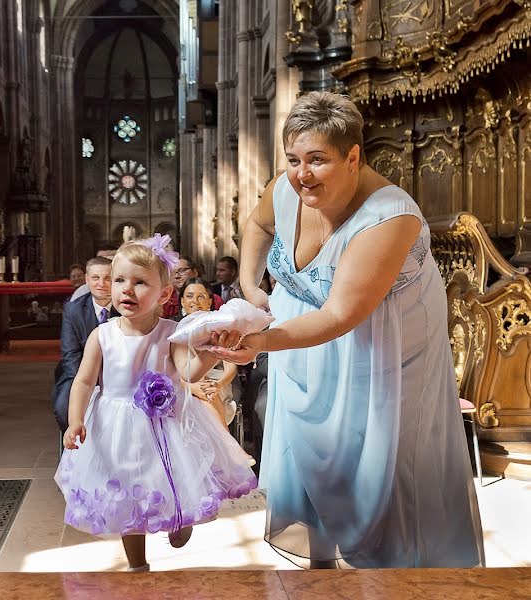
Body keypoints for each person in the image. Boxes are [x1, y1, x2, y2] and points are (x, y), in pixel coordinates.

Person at [225, 91, 484, 568]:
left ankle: (397, 579)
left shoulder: (389, 216)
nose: (302, 174)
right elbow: (258, 226)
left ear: (353, 156)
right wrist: (248, 282)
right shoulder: (287, 187)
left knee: (381, 481)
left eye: (318, 161)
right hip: (303, 346)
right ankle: (321, 573)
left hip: (379, 354)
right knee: (310, 464)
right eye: (294, 160)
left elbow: (340, 315)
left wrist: (258, 342)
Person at [55, 236, 257, 572]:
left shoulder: (171, 332)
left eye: (139, 282)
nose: (126, 290)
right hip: (114, 426)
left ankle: (180, 518)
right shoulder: (101, 335)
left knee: (170, 478)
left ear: (163, 294)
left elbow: (189, 373)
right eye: (119, 280)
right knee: (126, 497)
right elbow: (84, 381)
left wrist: (210, 354)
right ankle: (137, 566)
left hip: (165, 424)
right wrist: (76, 419)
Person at [52, 256, 114, 436]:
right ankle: (72, 454)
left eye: (108, 278)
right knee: (64, 407)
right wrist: (90, 384)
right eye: (95, 278)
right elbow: (70, 354)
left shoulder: (125, 306)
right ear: (87, 279)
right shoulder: (73, 310)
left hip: (118, 372)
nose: (101, 283)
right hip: (78, 372)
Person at [176, 277, 243, 429]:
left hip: (218, 380)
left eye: (201, 296)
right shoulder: (174, 329)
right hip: (184, 382)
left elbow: (231, 368)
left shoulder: (220, 327)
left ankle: (223, 442)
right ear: (182, 301)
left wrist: (218, 385)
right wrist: (189, 386)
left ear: (210, 302)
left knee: (206, 392)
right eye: (189, 296)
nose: (195, 301)